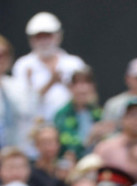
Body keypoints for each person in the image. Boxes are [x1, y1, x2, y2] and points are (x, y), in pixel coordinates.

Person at [12, 11, 85, 142]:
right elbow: (22, 106)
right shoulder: (22, 65)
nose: (44, 41)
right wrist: (51, 82)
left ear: (58, 36)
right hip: (35, 136)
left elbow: (84, 99)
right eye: (39, 37)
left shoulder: (74, 64)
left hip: (69, 132)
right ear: (31, 40)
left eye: (48, 36)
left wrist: (66, 85)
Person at [53, 66, 106, 162]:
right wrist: (89, 139)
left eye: (87, 83)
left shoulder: (98, 112)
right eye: (78, 83)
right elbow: (67, 146)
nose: (82, 88)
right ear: (70, 87)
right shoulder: (62, 114)